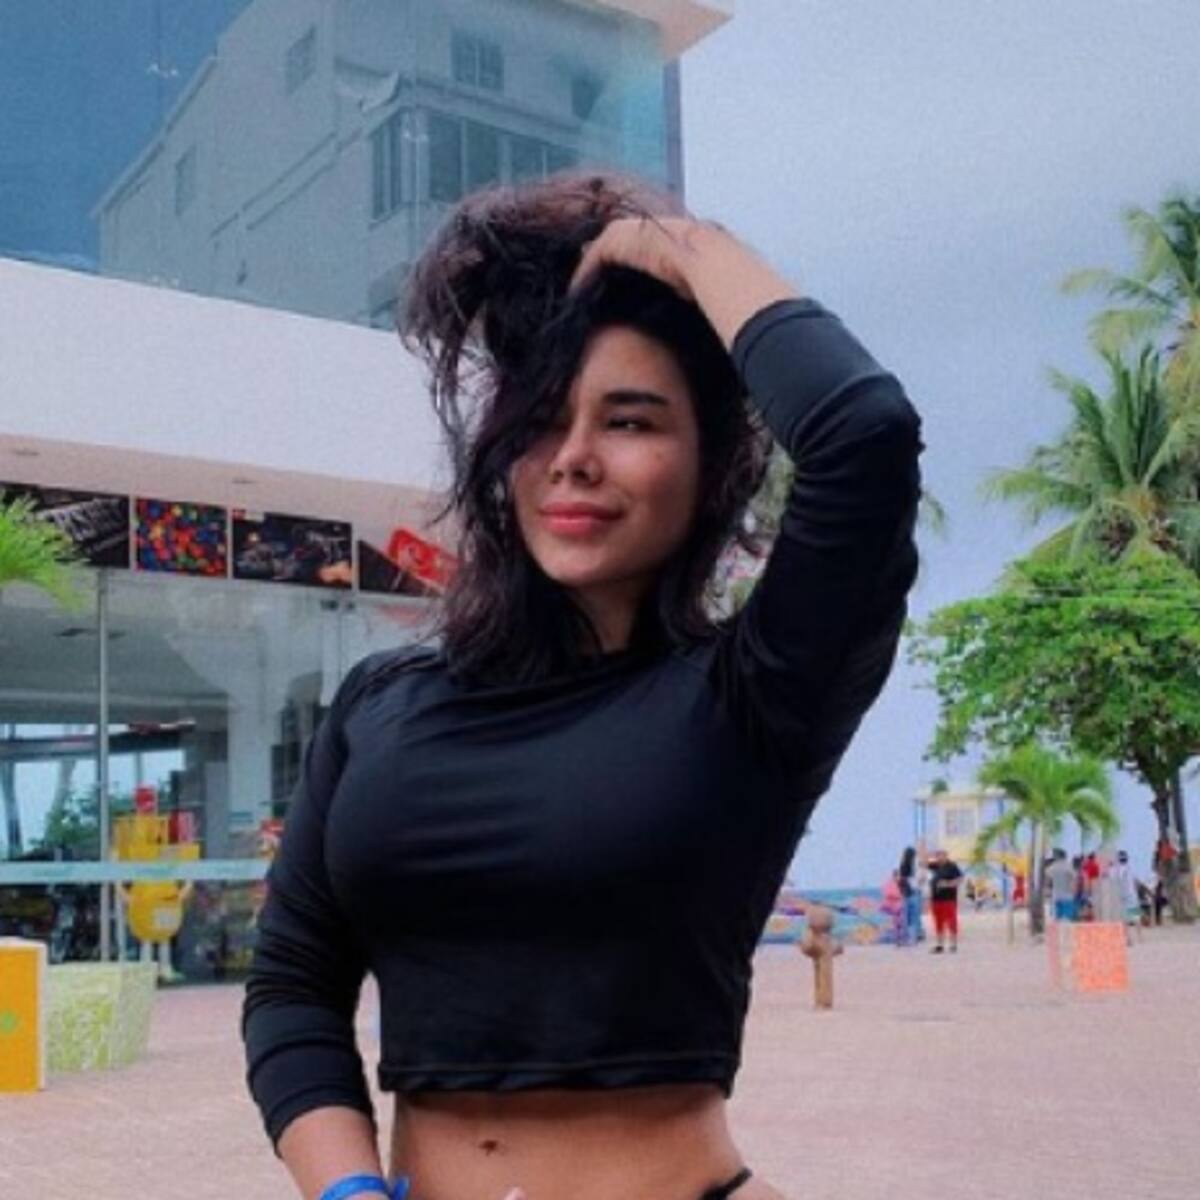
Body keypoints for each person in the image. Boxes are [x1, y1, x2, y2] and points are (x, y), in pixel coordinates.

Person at [241, 175, 922, 1200]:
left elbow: (863, 436)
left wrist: (680, 247)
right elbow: (293, 987)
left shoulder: (757, 692)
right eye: (541, 420)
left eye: (631, 421)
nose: (573, 460)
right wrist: (347, 1193)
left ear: (710, 465)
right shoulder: (381, 704)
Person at [927, 848, 963, 953]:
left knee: (951, 921)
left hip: (949, 899)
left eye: (941, 855)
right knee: (938, 922)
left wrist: (948, 884)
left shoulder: (952, 866)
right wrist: (923, 847)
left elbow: (960, 879)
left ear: (946, 856)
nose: (939, 857)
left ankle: (953, 944)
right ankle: (940, 945)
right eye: (937, 855)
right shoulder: (935, 866)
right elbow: (923, 862)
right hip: (936, 899)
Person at [1045, 848, 1077, 923]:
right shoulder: (1069, 866)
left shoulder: (1052, 867)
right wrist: (1074, 891)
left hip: (1056, 896)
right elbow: (1074, 880)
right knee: (1067, 920)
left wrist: (1049, 890)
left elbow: (1047, 882)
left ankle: (1059, 929)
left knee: (1057, 919)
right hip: (1067, 896)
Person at [898, 845, 921, 945]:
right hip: (914, 892)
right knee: (913, 917)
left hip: (905, 894)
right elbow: (919, 880)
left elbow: (901, 880)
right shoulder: (915, 867)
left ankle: (905, 938)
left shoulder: (902, 866)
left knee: (905, 917)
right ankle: (913, 938)